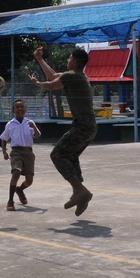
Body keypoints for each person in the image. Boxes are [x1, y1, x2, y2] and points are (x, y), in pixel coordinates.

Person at [29, 46, 96, 216]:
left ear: (74, 62)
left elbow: (51, 84)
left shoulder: (72, 76)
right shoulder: (77, 76)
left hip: (82, 124)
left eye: (69, 58)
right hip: (89, 125)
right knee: (71, 156)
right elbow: (53, 76)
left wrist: (38, 84)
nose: (67, 61)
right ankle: (79, 192)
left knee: (57, 155)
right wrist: (40, 59)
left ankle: (79, 190)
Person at [0, 99, 41, 210]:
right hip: (16, 151)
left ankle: (20, 190)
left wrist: (34, 127)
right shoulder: (10, 124)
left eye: (22, 107)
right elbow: (4, 138)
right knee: (16, 172)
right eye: (17, 107)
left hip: (28, 152)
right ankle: (10, 201)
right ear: (13, 110)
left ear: (25, 109)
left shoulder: (30, 122)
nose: (20, 109)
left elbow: (37, 135)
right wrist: (4, 151)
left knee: (29, 180)